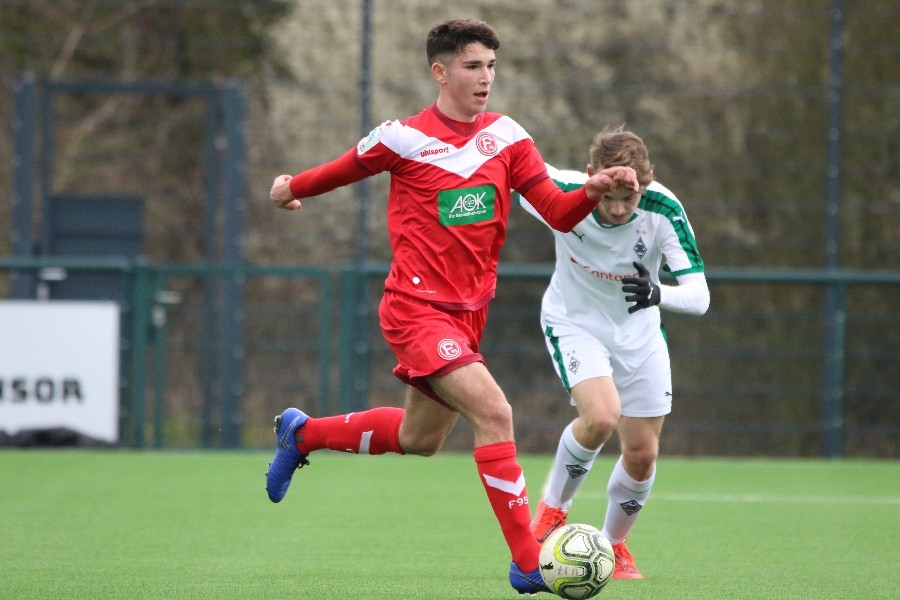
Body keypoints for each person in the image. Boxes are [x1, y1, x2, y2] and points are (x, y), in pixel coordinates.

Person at [265, 19, 639, 595]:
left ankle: (304, 434)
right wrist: (292, 188)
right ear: (440, 72)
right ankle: (526, 561)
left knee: (420, 440)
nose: (485, 77)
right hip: (415, 309)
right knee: (495, 413)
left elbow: (557, 213)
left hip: (468, 315)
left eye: (491, 65)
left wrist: (589, 193)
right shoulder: (403, 137)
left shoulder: (508, 137)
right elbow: (340, 169)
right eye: (472, 66)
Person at [520, 126, 709, 580]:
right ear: (591, 176)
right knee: (602, 417)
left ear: (646, 182)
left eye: (632, 196)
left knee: (642, 454)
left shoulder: (663, 209)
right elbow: (503, 167)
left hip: (639, 335)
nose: (621, 208)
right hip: (574, 324)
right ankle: (551, 511)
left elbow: (700, 297)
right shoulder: (561, 191)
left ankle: (614, 547)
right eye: (610, 197)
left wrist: (657, 293)